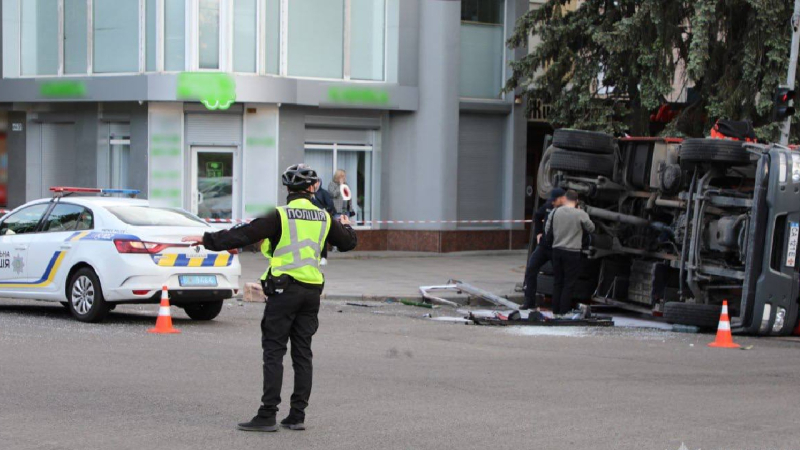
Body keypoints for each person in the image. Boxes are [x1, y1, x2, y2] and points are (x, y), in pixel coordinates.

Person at [182, 163, 357, 432]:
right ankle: (297, 415)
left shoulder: (279, 215)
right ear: (312, 188)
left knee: (274, 352)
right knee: (303, 354)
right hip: (311, 292)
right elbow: (347, 243)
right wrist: (347, 226)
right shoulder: (323, 217)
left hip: (284, 291)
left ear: (287, 188)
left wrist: (206, 239)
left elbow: (242, 234)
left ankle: (267, 415)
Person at [545, 189, 595, 318]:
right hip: (572, 252)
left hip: (556, 250)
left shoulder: (555, 212)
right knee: (569, 283)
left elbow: (547, 229)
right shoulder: (580, 214)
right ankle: (564, 311)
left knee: (558, 281)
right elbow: (591, 228)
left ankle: (555, 311)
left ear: (565, 199)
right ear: (577, 201)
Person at [521, 188, 566, 310]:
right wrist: (538, 233)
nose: (552, 202)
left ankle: (558, 306)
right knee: (531, 269)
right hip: (544, 246)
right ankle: (529, 302)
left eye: (554, 200)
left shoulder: (567, 210)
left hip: (557, 247)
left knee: (559, 276)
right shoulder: (548, 206)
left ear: (562, 199)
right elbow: (537, 216)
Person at [311, 178, 337, 266]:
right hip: (311, 219)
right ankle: (314, 256)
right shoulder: (310, 194)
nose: (314, 184)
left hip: (322, 218)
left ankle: (323, 257)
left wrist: (325, 211)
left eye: (315, 182)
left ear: (318, 183)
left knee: (323, 238)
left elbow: (330, 204)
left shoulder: (323, 193)